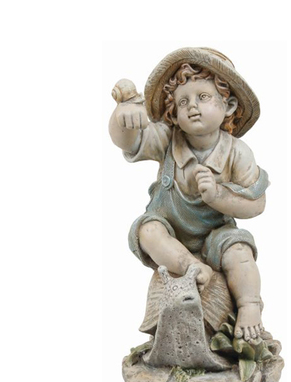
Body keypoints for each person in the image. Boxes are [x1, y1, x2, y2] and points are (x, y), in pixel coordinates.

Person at [109, 48, 270, 342]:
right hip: (172, 235)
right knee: (147, 230)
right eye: (183, 101)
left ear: (229, 105)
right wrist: (124, 115)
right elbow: (131, 141)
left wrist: (218, 197)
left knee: (240, 252)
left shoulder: (238, 152)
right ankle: (190, 266)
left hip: (216, 236)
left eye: (203, 97)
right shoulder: (167, 138)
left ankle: (249, 306)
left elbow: (256, 204)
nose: (192, 106)